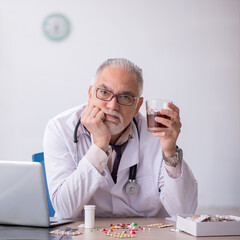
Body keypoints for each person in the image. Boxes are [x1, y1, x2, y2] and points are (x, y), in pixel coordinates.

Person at [43, 58, 197, 219]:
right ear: (90, 94)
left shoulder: (156, 133)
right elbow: (64, 210)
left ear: (138, 105)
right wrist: (99, 146)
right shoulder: (60, 128)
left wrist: (170, 151)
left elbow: (184, 212)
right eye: (104, 93)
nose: (112, 106)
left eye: (125, 97)